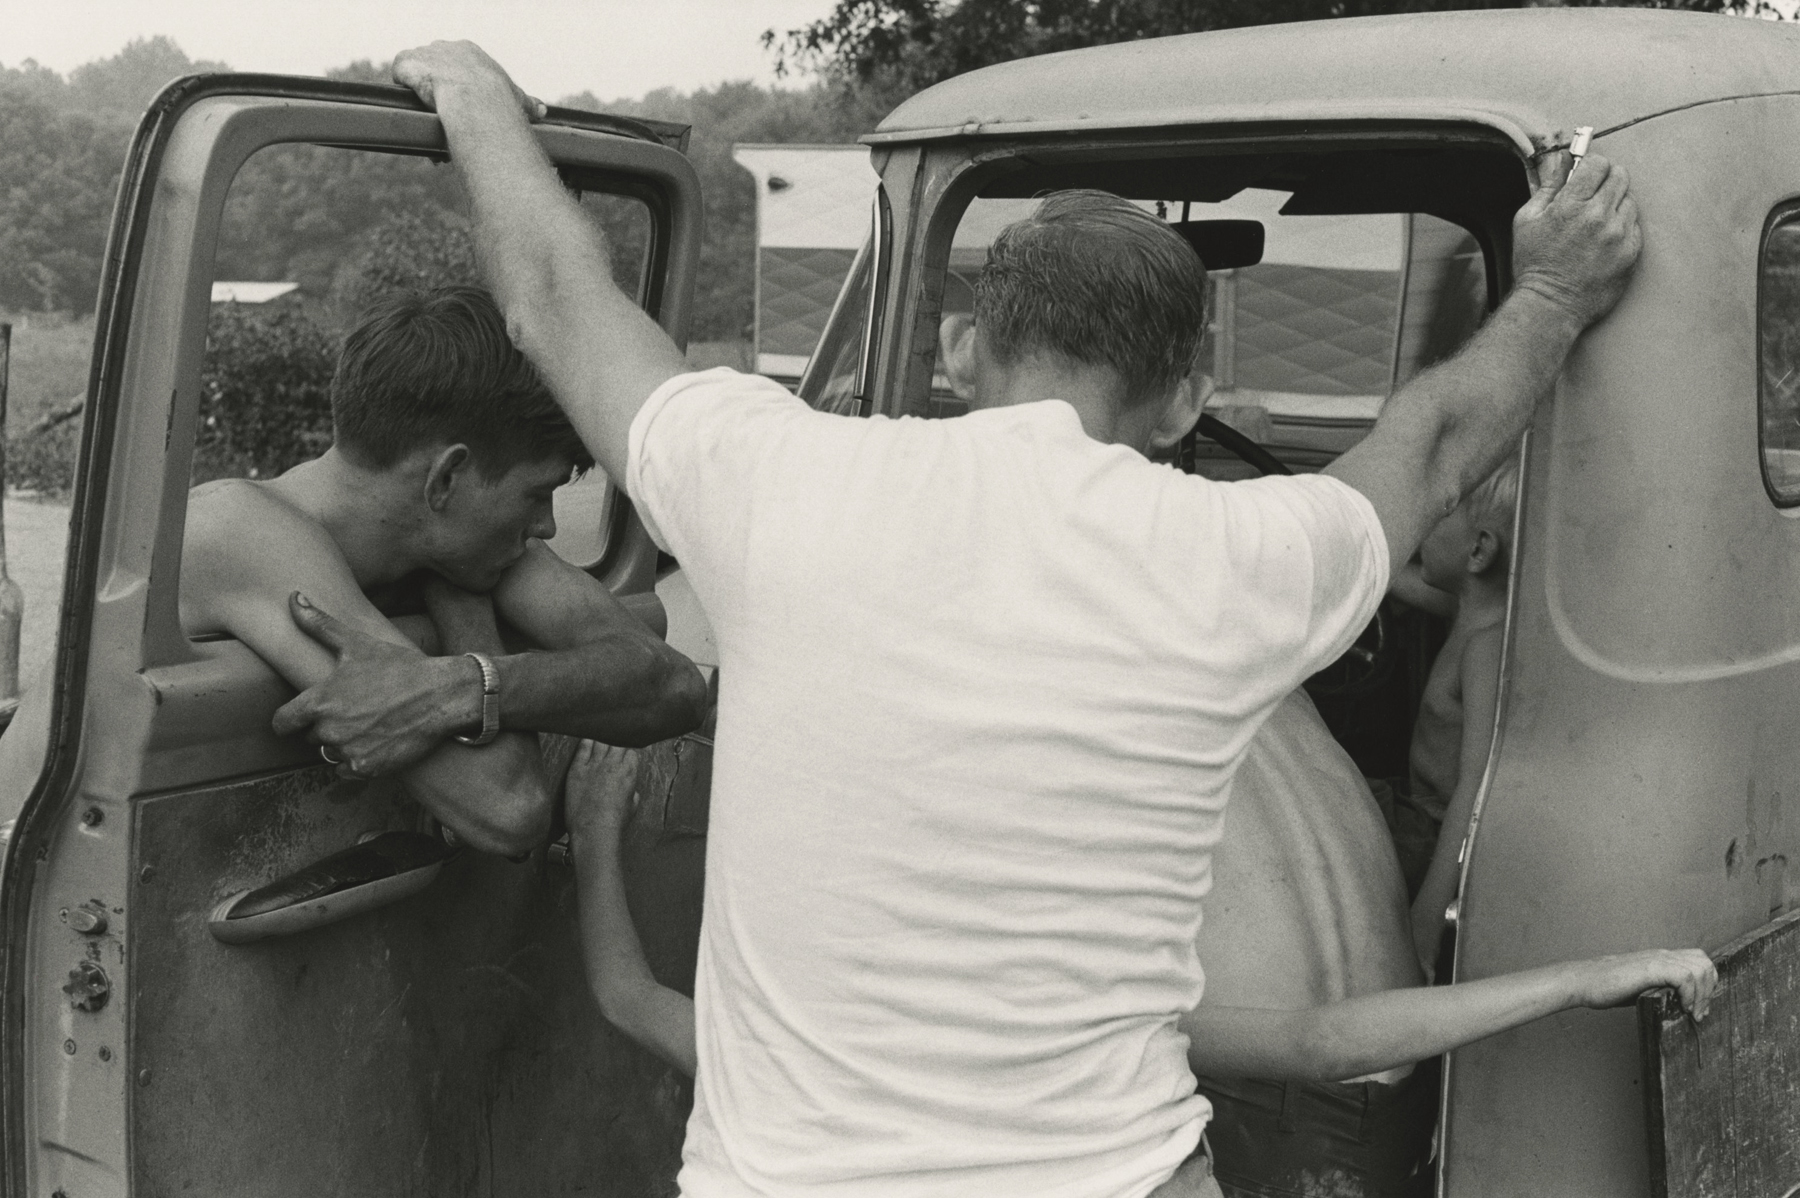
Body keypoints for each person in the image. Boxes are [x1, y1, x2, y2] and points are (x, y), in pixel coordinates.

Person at [275, 39, 1647, 1196]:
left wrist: (472, 99)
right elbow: (1443, 434)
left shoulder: (777, 483)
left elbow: (554, 298)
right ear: (1182, 401)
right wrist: (1558, 289)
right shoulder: (1252, 555)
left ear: (955, 351)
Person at [180, 284, 709, 854]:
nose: (547, 526)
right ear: (447, 480)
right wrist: (467, 611)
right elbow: (509, 806)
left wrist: (458, 685)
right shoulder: (237, 531)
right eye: (536, 494)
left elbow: (675, 686)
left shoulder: (456, 544)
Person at [1398, 457, 1518, 973]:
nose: (1421, 523)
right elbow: (1392, 582)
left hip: (1429, 834)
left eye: (1437, 512)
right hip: (1416, 814)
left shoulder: (1485, 649)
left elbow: (1474, 789)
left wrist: (1427, 915)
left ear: (1478, 550)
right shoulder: (1468, 611)